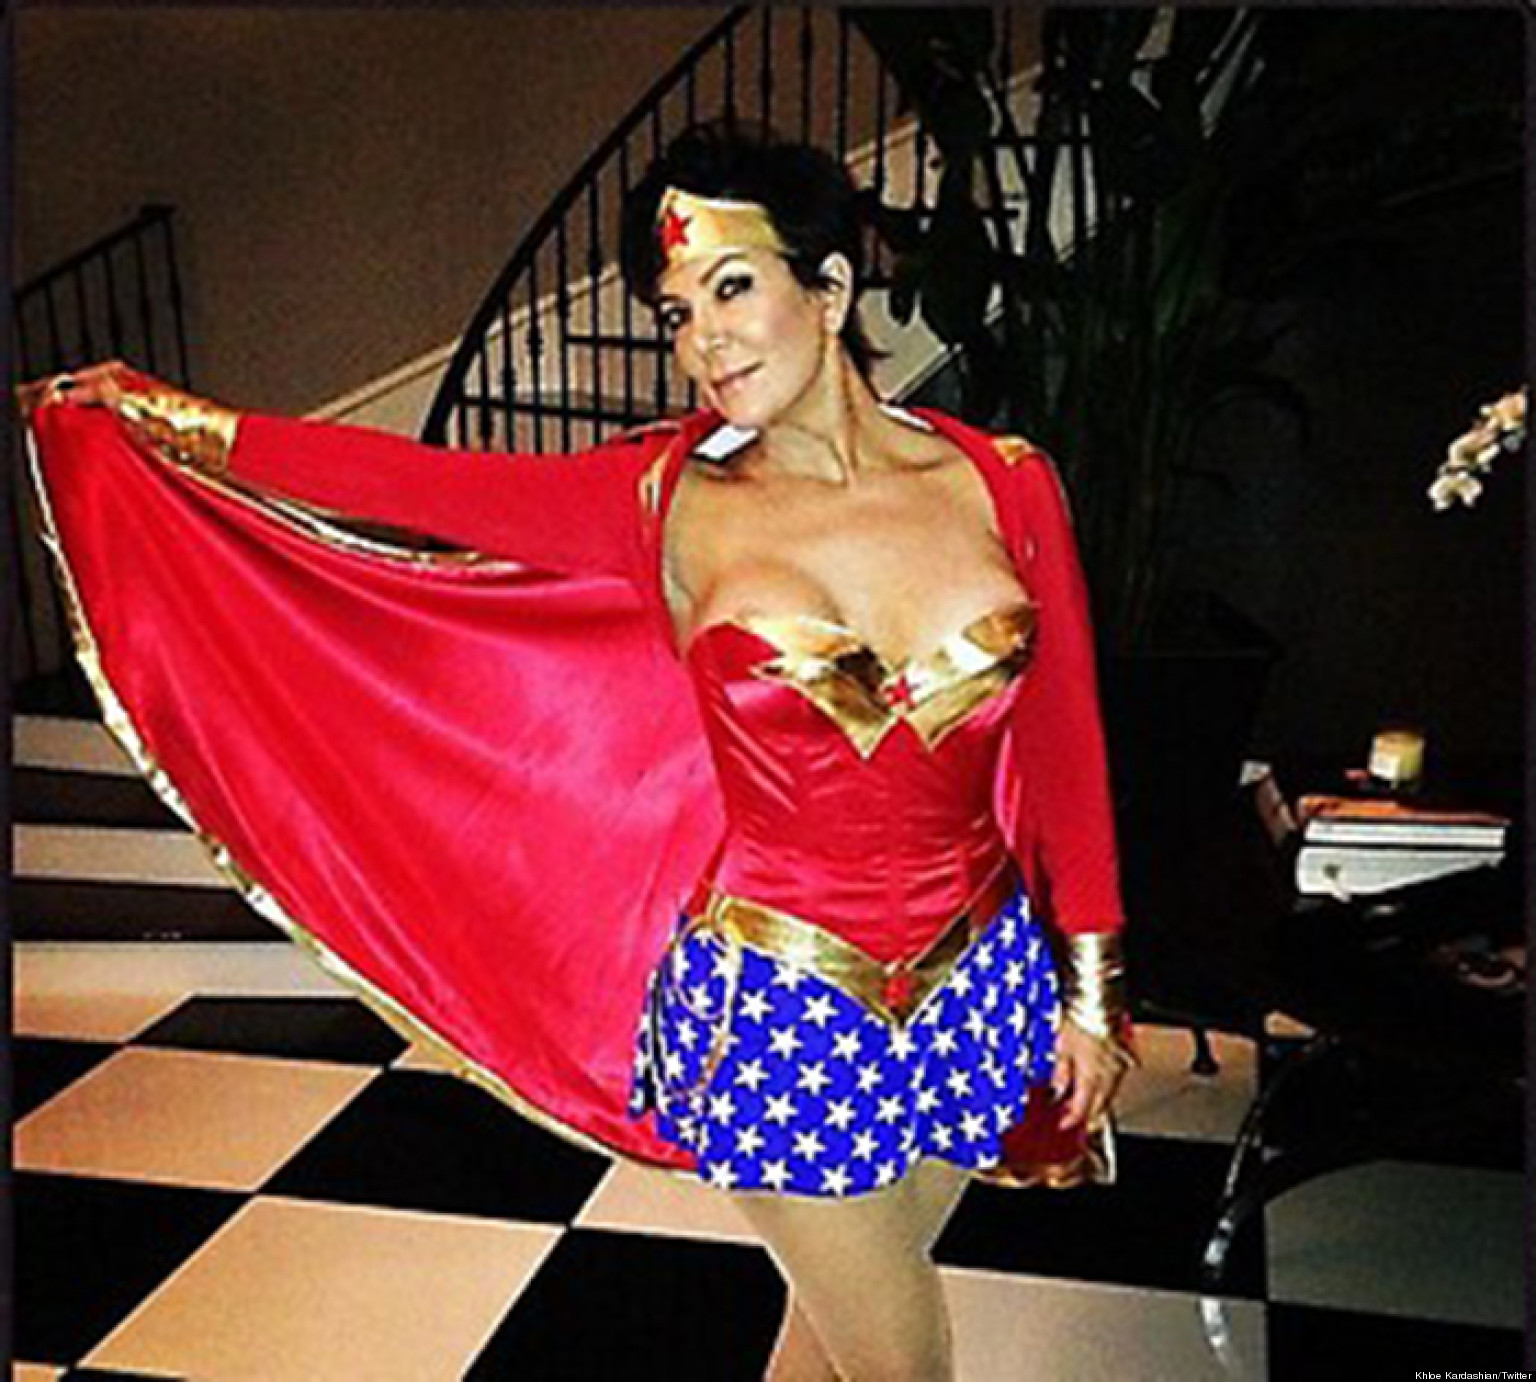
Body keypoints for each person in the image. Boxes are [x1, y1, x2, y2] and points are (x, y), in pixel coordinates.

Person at [23, 122, 1134, 1381]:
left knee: (828, 1339)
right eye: (677, 312)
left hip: (979, 984)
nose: (704, 341)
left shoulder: (1004, 483)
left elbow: (1066, 743)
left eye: (732, 288)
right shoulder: (665, 502)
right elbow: (406, 481)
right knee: (901, 1358)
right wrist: (170, 419)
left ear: (829, 288)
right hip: (785, 1011)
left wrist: (1092, 990)